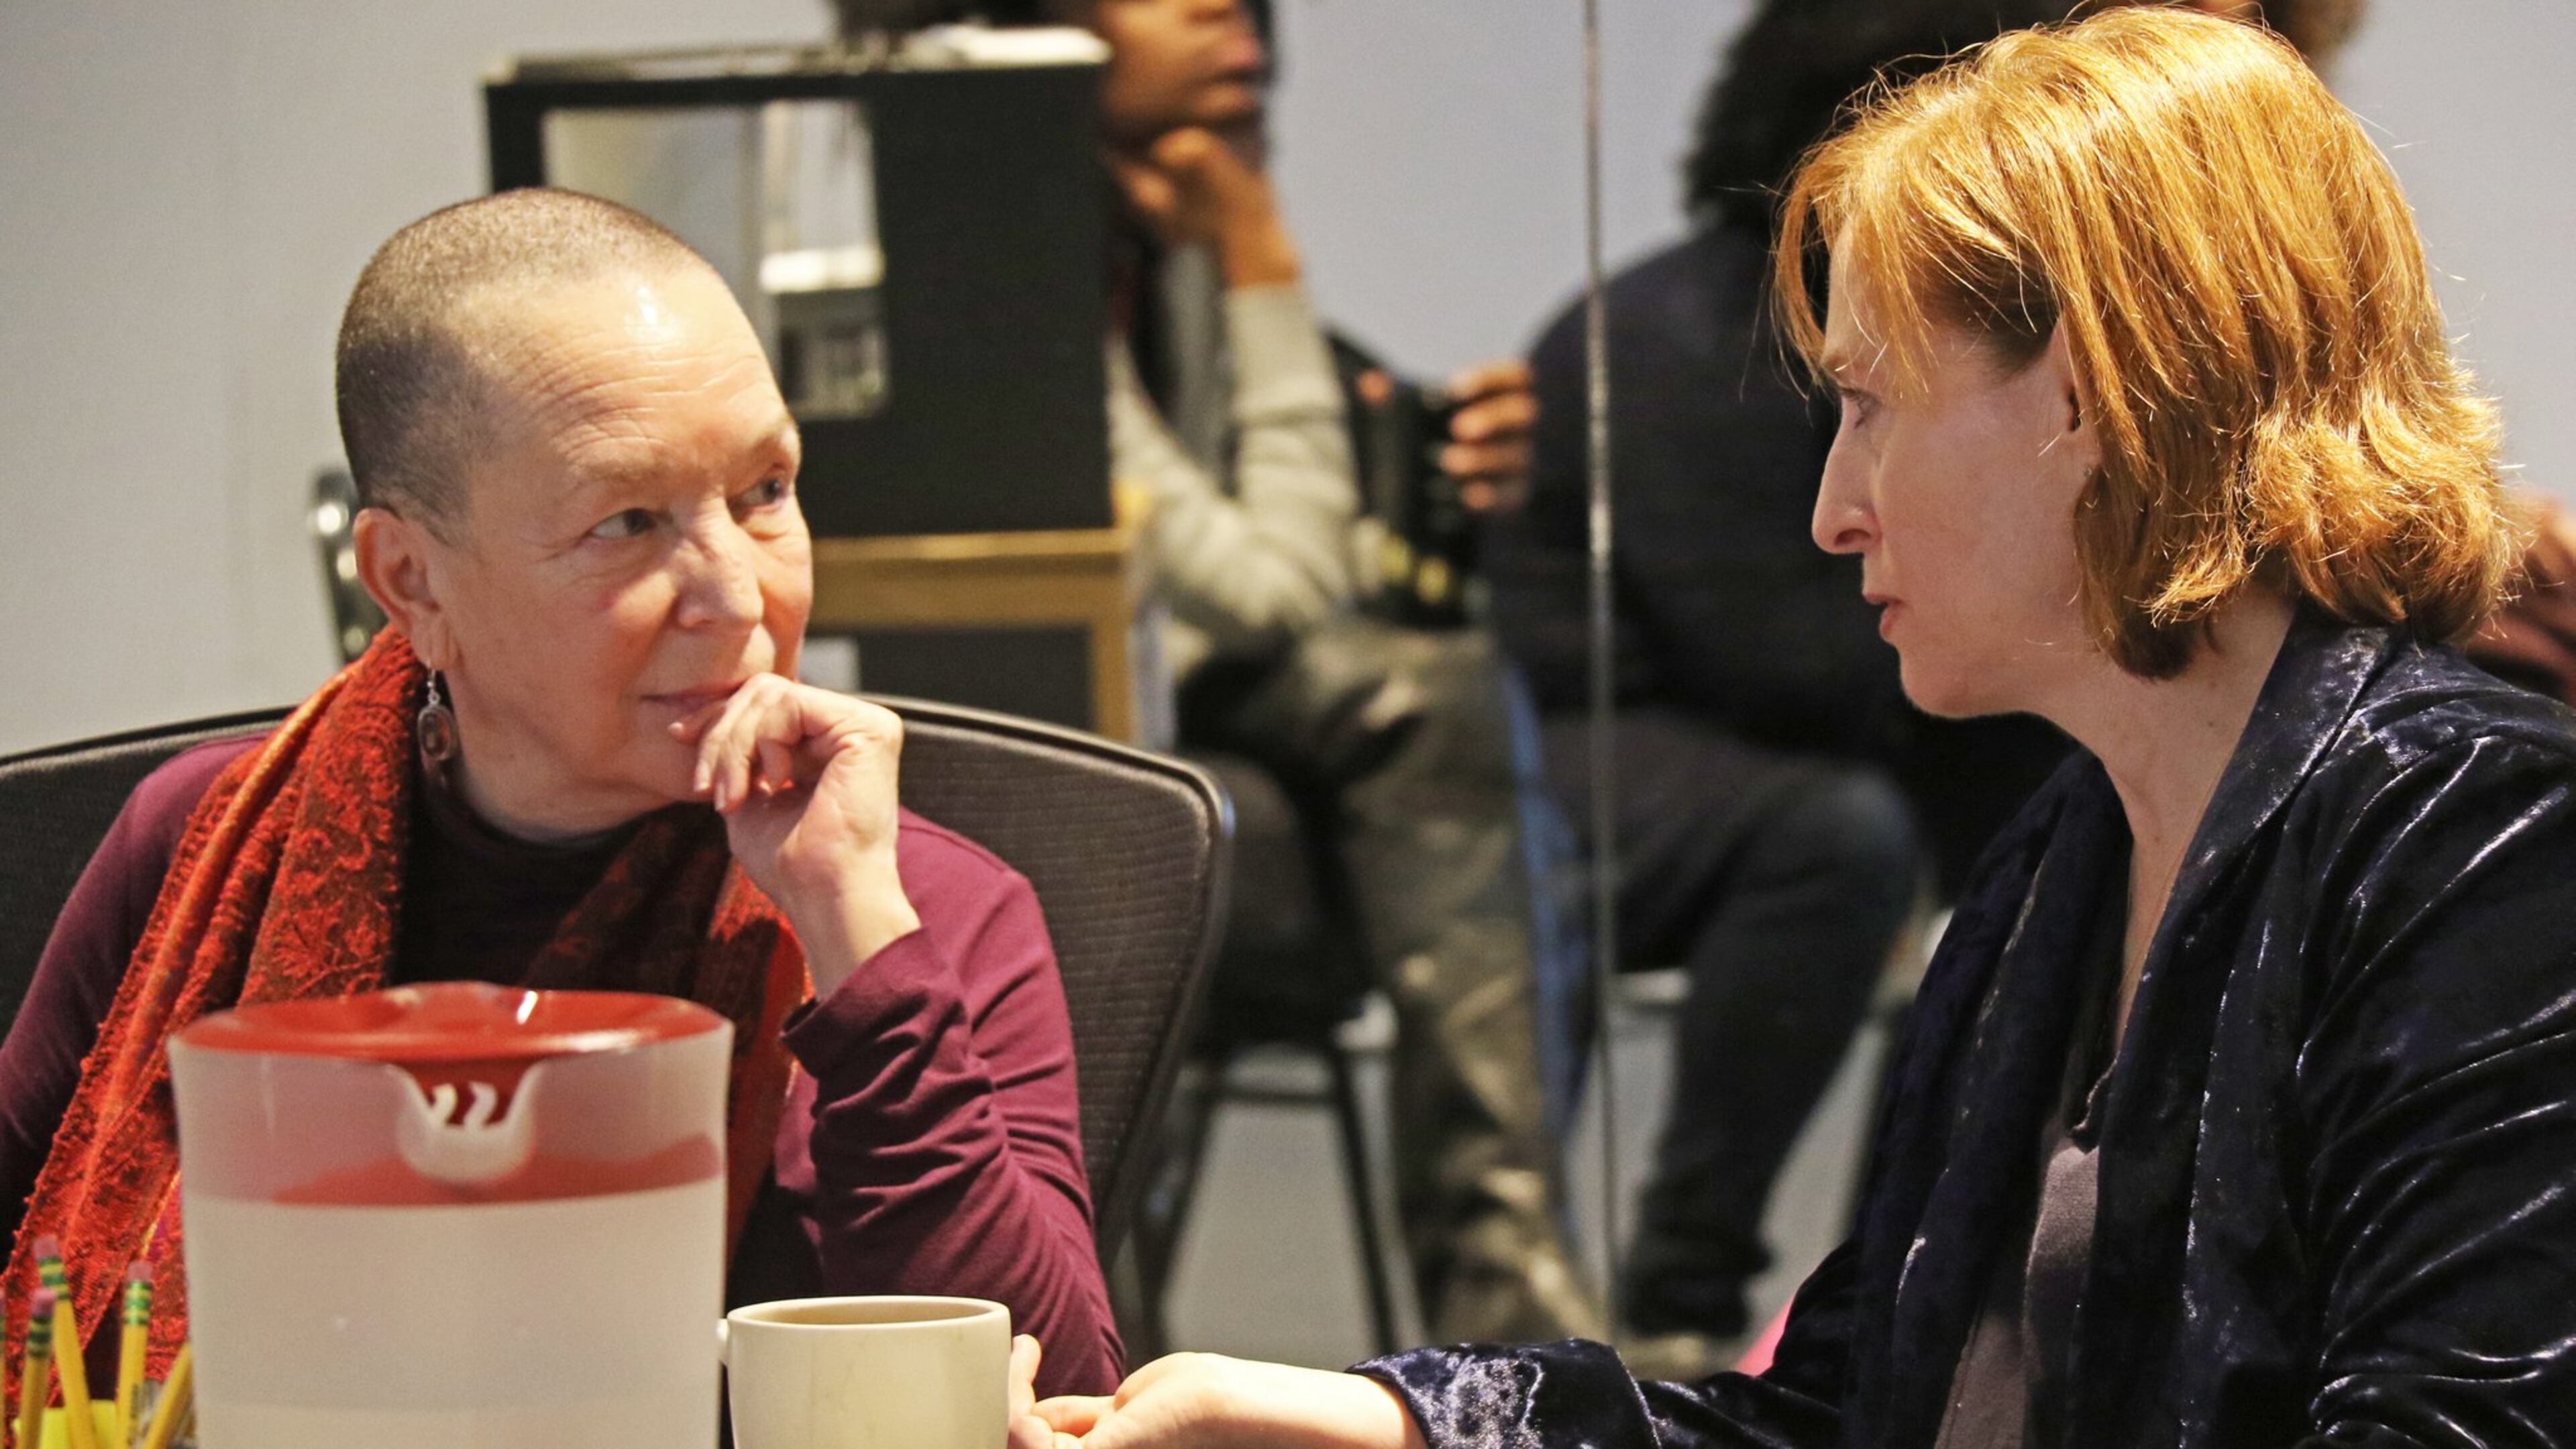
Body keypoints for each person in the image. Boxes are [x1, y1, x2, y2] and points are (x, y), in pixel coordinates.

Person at [1006, 8, 2576, 1444]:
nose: (1835, 510)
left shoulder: (2474, 846)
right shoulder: (2066, 859)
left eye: (1873, 407)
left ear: (2093, 392)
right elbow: (1841, 1413)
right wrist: (1396, 1424)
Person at [0, 189, 1118, 1399]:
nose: (738, 597)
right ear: (411, 578)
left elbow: (1053, 1396)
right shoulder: (210, 847)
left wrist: (856, 934)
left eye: (766, 493)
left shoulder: (916, 903)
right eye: (627, 523)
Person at [837, 0, 1599, 1347]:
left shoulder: (1150, 215)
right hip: (995, 735)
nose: (1223, 14)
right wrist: (1259, 254)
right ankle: (1505, 1324)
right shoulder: (987, 211)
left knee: (1442, 699)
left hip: (1161, 704)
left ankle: (1515, 1332)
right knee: (1402, 751)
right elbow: (1275, 587)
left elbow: (1272, 578)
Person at [1494, 0, 2083, 1362]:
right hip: (1594, 743)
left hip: (1801, 734)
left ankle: (1932, 1258)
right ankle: (1704, 1298)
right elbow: (1787, 660)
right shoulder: (1682, 344)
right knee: (1849, 837)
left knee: (2052, 806)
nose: (1839, 508)